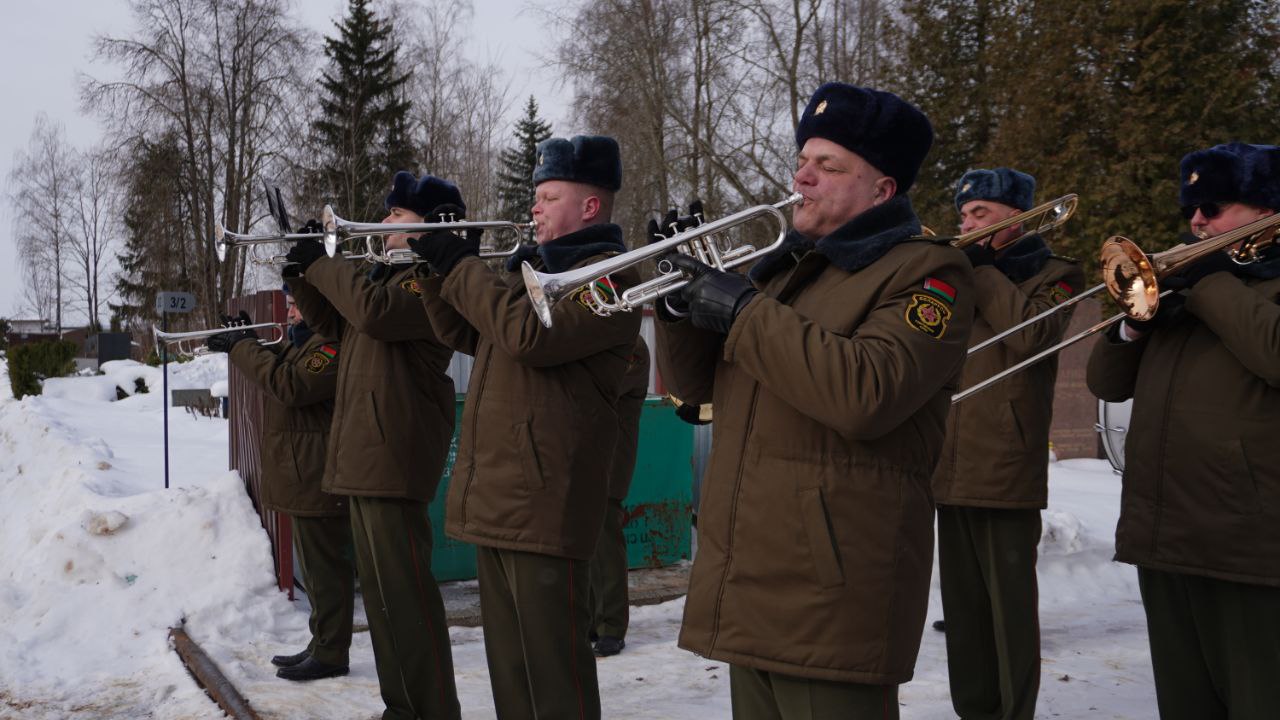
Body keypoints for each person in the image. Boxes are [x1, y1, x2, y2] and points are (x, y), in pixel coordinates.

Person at [654, 82, 975, 719]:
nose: (802, 177)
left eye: (829, 166)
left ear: (882, 189)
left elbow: (867, 394)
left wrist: (743, 311)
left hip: (833, 595)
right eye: (803, 159)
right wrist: (677, 307)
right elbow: (698, 389)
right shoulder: (783, 271)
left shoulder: (927, 272)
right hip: (751, 577)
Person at [409, 135, 641, 720]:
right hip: (502, 495)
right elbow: (466, 333)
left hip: (546, 502)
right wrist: (436, 269)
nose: (533, 207)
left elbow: (528, 335)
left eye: (549, 196)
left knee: (552, 679)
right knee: (511, 674)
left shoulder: (609, 281)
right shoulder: (532, 275)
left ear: (590, 207)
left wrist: (462, 265)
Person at [1087, 142, 1280, 719]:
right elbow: (1105, 383)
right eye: (1191, 208)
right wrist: (1135, 325)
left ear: (1267, 209)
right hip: (1166, 535)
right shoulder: (1187, 290)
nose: (1197, 221)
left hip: (1250, 544)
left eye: (1213, 207)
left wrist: (1213, 285)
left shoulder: (1235, 286)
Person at [282, 172, 461, 720]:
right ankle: (402, 706)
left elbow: (374, 315)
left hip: (395, 450)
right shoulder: (385, 274)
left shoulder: (429, 279)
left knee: (405, 597)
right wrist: (302, 276)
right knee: (382, 602)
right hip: (366, 450)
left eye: (397, 214)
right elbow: (338, 325)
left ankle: (431, 710)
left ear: (433, 224)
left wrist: (323, 263)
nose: (383, 221)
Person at [929, 168, 1085, 720]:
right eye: (964, 216)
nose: (967, 225)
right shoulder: (958, 272)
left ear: (1018, 219)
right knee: (963, 610)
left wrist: (984, 271)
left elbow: (1031, 335)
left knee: (1009, 612)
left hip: (1005, 464)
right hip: (946, 459)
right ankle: (973, 709)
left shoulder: (1056, 274)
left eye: (981, 215)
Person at [209, 292, 354, 682]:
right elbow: (280, 366)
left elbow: (291, 385)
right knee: (316, 570)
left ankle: (331, 652)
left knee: (326, 570)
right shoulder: (303, 343)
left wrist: (243, 347)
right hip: (303, 472)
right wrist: (247, 341)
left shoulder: (332, 346)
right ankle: (321, 642)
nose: (289, 312)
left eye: (296, 304)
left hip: (317, 472)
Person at [588, 336, 650, 657]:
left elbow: (598, 389)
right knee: (583, 543)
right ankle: (590, 620)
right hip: (582, 457)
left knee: (604, 544)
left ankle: (611, 626)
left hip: (610, 458)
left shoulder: (632, 347)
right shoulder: (594, 341)